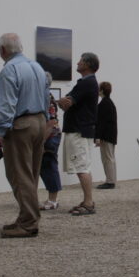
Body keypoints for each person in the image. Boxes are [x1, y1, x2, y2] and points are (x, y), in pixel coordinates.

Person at [0, 33, 49, 238]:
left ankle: (28, 222)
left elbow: (6, 104)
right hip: (39, 122)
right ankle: (26, 216)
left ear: (3, 50)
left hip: (21, 125)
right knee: (31, 173)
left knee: (19, 174)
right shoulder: (37, 67)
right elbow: (46, 96)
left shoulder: (10, 70)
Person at [58, 52, 99, 215]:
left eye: (81, 61)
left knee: (82, 168)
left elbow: (66, 103)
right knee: (83, 166)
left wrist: (60, 101)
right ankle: (87, 201)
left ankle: (88, 203)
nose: (77, 63)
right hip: (81, 129)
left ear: (87, 64)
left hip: (78, 130)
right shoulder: (87, 83)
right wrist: (63, 101)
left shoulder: (86, 83)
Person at [39, 71, 62, 211]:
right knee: (44, 166)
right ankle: (51, 198)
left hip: (50, 136)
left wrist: (41, 142)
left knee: (49, 165)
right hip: (47, 135)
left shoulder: (46, 96)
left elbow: (51, 122)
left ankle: (53, 200)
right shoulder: (43, 95)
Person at [95, 81, 118, 189]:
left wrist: (98, 137)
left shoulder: (104, 104)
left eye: (98, 88)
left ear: (102, 90)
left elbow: (101, 122)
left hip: (106, 136)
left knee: (108, 158)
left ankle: (110, 182)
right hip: (110, 135)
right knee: (109, 158)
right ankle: (110, 180)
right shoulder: (108, 102)